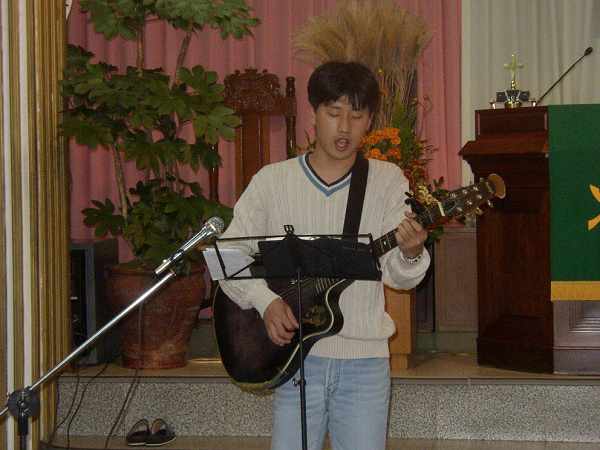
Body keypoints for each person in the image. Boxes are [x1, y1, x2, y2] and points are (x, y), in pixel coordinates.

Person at [219, 61, 430, 450]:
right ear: (314, 113)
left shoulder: (387, 181)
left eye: (357, 116)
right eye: (334, 113)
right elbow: (227, 254)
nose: (345, 127)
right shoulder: (272, 181)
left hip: (364, 363)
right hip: (295, 359)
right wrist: (264, 302)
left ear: (370, 121)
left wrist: (412, 252)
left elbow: (399, 277)